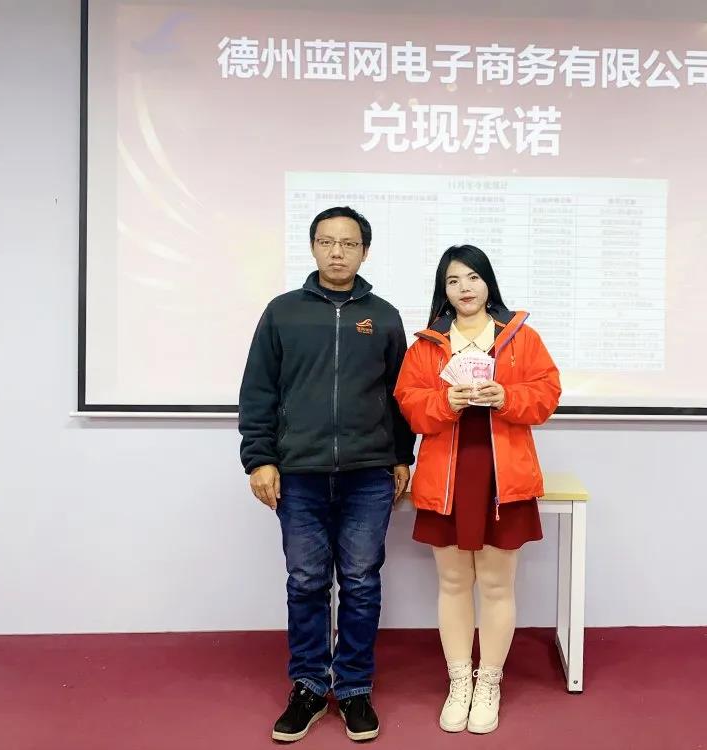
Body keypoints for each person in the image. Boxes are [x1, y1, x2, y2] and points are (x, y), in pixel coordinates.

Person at [238, 206, 415, 743]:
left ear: (365, 251)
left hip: (368, 473)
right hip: (300, 474)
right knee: (306, 582)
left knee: (361, 582)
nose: (337, 252)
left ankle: (355, 687)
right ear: (313, 247)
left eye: (349, 243)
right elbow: (258, 391)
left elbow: (400, 396)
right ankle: (310, 686)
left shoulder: (384, 317)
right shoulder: (282, 313)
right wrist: (259, 458)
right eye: (326, 241)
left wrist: (401, 455)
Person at [393, 245, 561, 735]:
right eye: (453, 280)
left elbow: (547, 394)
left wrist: (508, 395)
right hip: (446, 477)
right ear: (442, 290)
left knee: (496, 584)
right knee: (451, 583)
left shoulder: (520, 337)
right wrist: (445, 400)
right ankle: (459, 681)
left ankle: (489, 681)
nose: (464, 288)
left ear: (488, 283)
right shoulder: (427, 344)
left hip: (503, 477)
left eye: (472, 277)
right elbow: (409, 403)